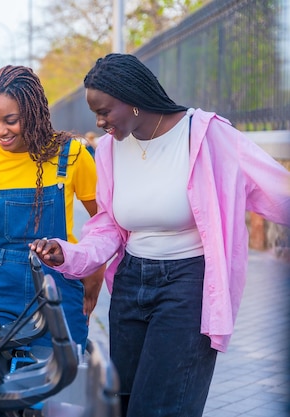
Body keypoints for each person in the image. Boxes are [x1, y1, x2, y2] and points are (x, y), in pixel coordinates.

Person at [30, 53, 290, 417]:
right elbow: (109, 225)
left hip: (189, 285)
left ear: (133, 100)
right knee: (122, 402)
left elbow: (276, 188)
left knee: (163, 406)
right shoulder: (109, 150)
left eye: (105, 111)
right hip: (130, 283)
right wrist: (69, 253)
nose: (99, 122)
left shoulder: (207, 134)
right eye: (95, 114)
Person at [0, 65, 105, 350]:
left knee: (64, 376)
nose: (0, 131)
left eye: (11, 120)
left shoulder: (73, 154)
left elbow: (102, 221)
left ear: (32, 112)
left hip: (58, 287)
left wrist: (94, 275)